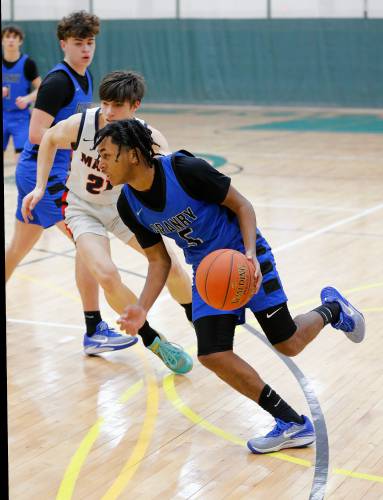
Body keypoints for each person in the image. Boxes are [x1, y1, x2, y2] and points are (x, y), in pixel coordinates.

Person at [93, 118, 365, 454]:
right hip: (209, 274)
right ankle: (291, 423)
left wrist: (250, 255)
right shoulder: (128, 204)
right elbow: (159, 261)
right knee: (212, 353)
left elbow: (242, 206)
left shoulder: (184, 169)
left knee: (288, 343)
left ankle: (333, 309)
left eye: (106, 154)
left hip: (244, 255)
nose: (100, 163)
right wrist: (142, 309)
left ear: (132, 155)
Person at [21, 70, 193, 373]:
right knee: (106, 273)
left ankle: (199, 320)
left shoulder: (147, 138)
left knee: (172, 267)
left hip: (125, 209)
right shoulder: (83, 125)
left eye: (118, 106)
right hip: (82, 209)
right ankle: (154, 341)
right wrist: (39, 185)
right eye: (105, 103)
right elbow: (48, 138)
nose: (109, 112)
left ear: (135, 106)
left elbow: (169, 175)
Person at [3, 11, 127, 353]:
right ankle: (94, 330)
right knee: (89, 244)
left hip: (54, 174)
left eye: (90, 42)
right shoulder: (58, 82)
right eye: (78, 43)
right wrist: (82, 141)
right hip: (41, 175)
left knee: (18, 247)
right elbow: (36, 133)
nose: (86, 49)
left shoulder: (85, 78)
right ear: (63, 44)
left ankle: (94, 329)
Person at [2, 24, 42, 163]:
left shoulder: (28, 63)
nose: (11, 40)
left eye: (15, 37)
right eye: (8, 37)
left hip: (20, 117)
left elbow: (41, 88)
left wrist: (27, 99)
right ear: (2, 40)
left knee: (22, 158)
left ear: (20, 41)